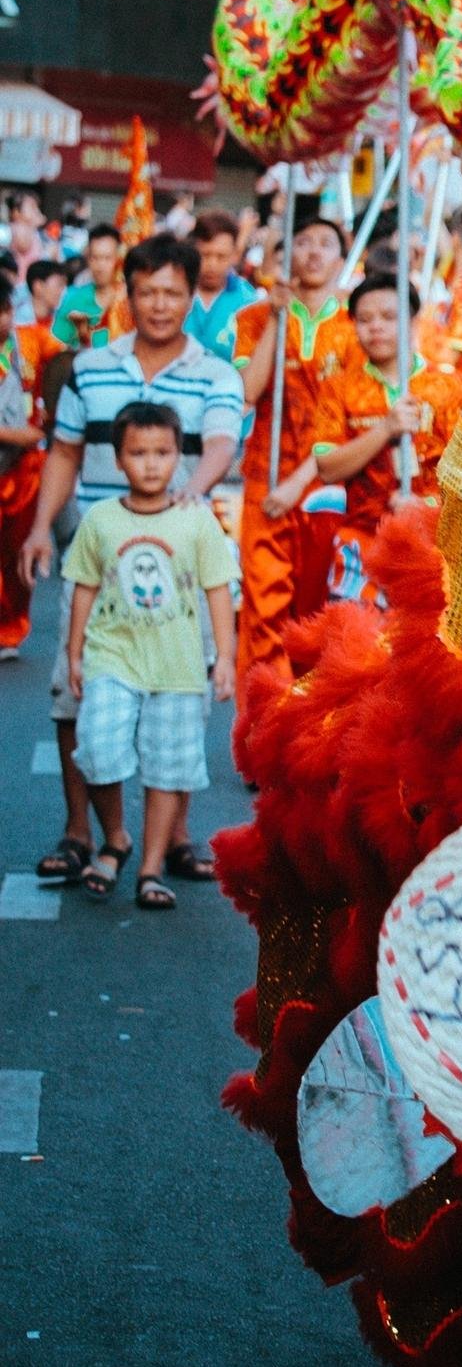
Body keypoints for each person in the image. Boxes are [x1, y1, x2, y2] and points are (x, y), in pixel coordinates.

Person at [20, 233, 243, 886]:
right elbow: (63, 453)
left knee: (180, 696)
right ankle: (83, 831)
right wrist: (39, 529)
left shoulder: (216, 373)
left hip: (179, 562)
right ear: (129, 293)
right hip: (97, 550)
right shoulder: (90, 367)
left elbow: (223, 443)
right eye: (148, 291)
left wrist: (188, 496)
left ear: (191, 294)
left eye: (173, 292)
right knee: (76, 692)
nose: (160, 305)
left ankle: (173, 836)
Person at [65, 401, 236, 908]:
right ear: (118, 460)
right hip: (112, 658)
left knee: (167, 768)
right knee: (96, 749)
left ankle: (149, 868)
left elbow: (218, 590)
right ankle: (115, 836)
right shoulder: (100, 519)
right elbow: (83, 587)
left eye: (162, 452)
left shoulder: (196, 521)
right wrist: (75, 654)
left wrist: (225, 657)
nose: (151, 463)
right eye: (138, 453)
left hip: (177, 666)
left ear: (178, 456)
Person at [232, 217, 358, 688]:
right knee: (263, 611)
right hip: (265, 478)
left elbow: (350, 416)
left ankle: (307, 733)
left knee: (317, 616)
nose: (313, 252)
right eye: (302, 241)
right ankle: (261, 733)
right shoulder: (254, 317)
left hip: (332, 487)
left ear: (342, 260)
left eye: (326, 243)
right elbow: (248, 389)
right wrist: (277, 318)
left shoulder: (355, 326)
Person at [311, 273, 433, 604]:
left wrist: (426, 507)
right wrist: (385, 430)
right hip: (360, 547)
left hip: (431, 549)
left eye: (389, 317)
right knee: (356, 650)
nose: (375, 327)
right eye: (364, 319)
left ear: (413, 321)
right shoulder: (339, 388)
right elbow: (327, 467)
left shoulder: (449, 389)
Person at [0, 275, 46, 657]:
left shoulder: (29, 341)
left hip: (24, 471)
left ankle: (11, 628)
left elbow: (69, 362)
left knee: (18, 552)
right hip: (16, 445)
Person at [185, 211, 257, 361]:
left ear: (234, 256)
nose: (212, 265)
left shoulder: (248, 300)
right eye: (205, 255)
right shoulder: (175, 292)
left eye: (221, 257)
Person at [52, 225, 123, 350]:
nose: (100, 266)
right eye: (95, 258)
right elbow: (55, 349)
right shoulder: (73, 298)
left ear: (119, 259)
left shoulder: (130, 300)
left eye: (107, 258)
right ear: (88, 259)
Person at [2, 189, 53, 278]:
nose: (37, 211)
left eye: (37, 207)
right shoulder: (15, 228)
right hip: (19, 286)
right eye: (32, 207)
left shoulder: (34, 231)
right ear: (16, 212)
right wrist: (33, 225)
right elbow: (23, 244)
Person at [19, 257, 68, 330]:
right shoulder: (17, 322)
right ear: (38, 286)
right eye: (59, 285)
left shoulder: (64, 320)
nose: (64, 291)